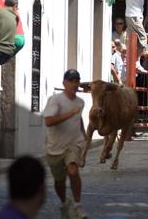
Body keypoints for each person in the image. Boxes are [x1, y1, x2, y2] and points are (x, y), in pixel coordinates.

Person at [43, 69, 89, 219]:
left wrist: (84, 134)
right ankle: (64, 202)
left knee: (73, 171)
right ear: (64, 83)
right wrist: (70, 113)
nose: (75, 84)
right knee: (59, 182)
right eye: (71, 81)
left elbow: (78, 118)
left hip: (73, 144)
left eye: (77, 81)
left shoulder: (80, 102)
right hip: (55, 147)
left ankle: (78, 206)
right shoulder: (55, 100)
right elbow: (49, 121)